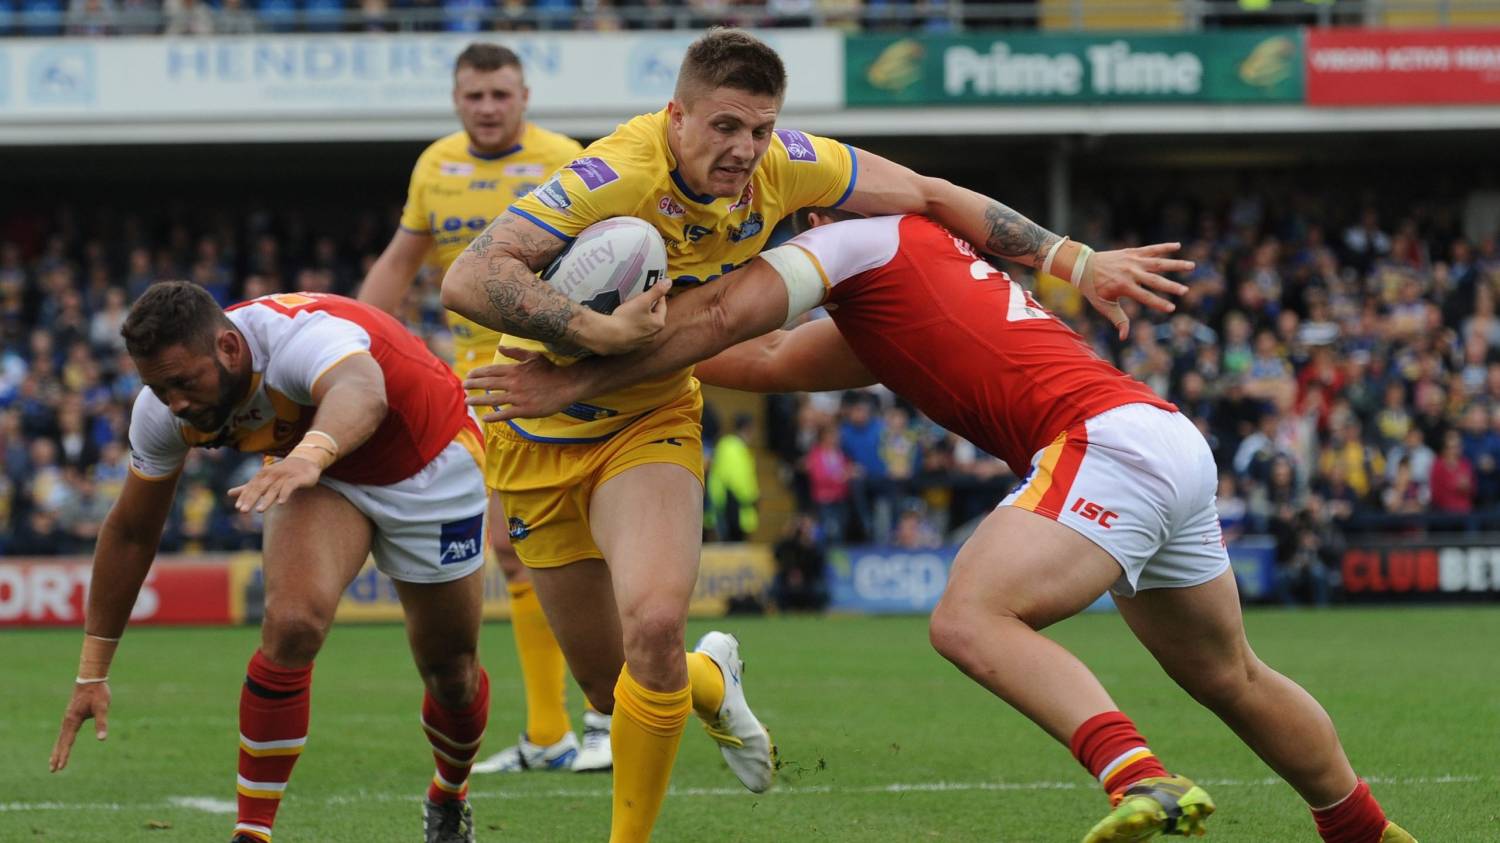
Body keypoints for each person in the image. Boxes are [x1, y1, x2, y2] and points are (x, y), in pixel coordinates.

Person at [439, 28, 1184, 842]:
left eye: (760, 129)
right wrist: (592, 329)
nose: (744, 149)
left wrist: (1075, 261)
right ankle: (708, 678)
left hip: (650, 419)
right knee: (609, 681)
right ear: (676, 116)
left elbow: (930, 194)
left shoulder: (792, 163)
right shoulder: (617, 173)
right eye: (725, 126)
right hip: (536, 432)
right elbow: (469, 276)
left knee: (652, 626)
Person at [467, 209, 1419, 843]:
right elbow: (757, 359)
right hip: (1159, 437)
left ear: (811, 224)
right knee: (1230, 674)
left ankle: (1139, 776)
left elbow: (721, 315)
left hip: (1104, 445)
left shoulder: (856, 240)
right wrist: (628, 345)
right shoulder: (898, 287)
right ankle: (1365, 830)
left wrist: (581, 352)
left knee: (969, 618)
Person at [49, 283, 495, 843]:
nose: (174, 402)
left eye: (183, 382)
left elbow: (362, 392)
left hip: (428, 458)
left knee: (451, 672)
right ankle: (251, 833)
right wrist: (92, 672)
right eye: (159, 388)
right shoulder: (161, 411)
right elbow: (132, 533)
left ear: (229, 349)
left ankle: (449, 791)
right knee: (291, 624)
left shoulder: (299, 339)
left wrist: (308, 455)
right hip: (318, 469)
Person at [356, 42, 609, 775]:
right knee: (510, 547)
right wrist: (352, 337)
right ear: (456, 100)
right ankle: (550, 734)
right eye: (475, 95)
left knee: (574, 545)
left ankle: (601, 716)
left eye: (501, 94)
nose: (488, 107)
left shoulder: (566, 159)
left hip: (557, 374)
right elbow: (400, 263)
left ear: (525, 97)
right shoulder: (434, 166)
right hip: (480, 389)